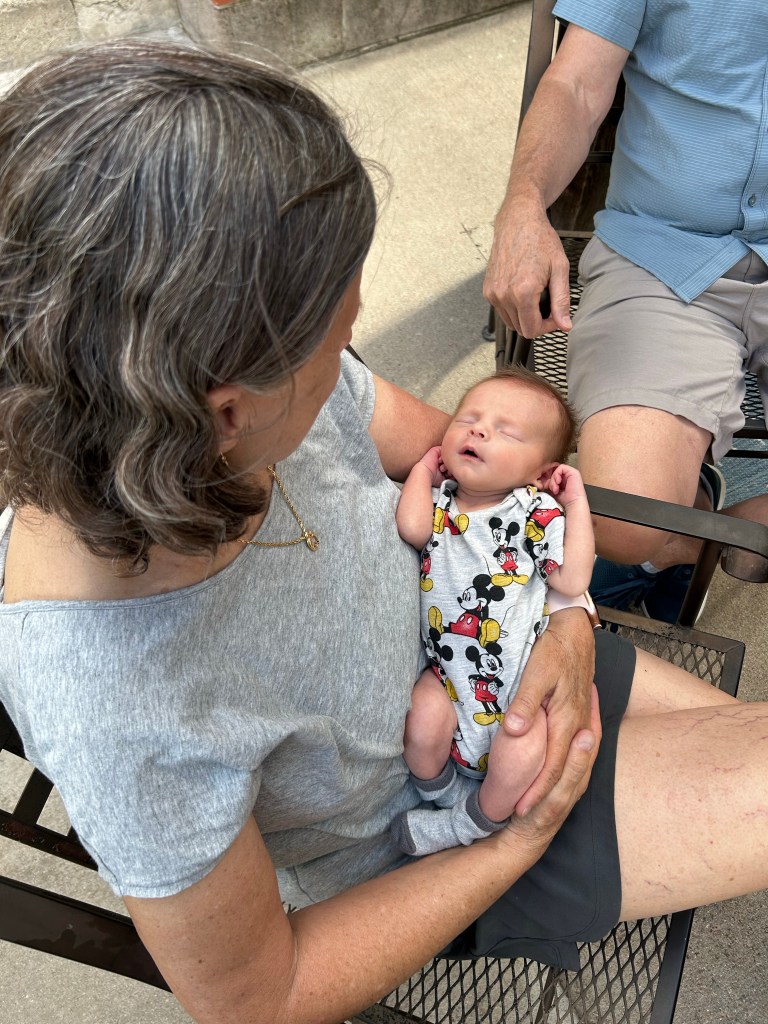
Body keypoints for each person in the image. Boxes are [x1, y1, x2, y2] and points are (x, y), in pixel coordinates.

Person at [3, 40, 768, 1024]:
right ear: (227, 411)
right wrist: (514, 841)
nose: (350, 363)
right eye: (336, 344)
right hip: (434, 828)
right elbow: (262, 997)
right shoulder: (122, 709)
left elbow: (457, 460)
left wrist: (570, 612)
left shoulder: (197, 381)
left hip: (497, 634)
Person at [483, 0, 768, 622]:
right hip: (661, 251)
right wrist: (523, 204)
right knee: (623, 520)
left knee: (632, 524)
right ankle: (684, 521)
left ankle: (696, 533)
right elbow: (576, 82)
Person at [393, 368, 593, 855]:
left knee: (523, 751)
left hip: (520, 690)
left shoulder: (534, 513)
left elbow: (571, 580)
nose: (479, 431)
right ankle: (442, 794)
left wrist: (575, 503)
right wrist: (422, 473)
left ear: (540, 472)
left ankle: (469, 825)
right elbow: (412, 529)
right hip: (447, 681)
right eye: (468, 419)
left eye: (507, 432)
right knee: (421, 720)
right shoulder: (439, 503)